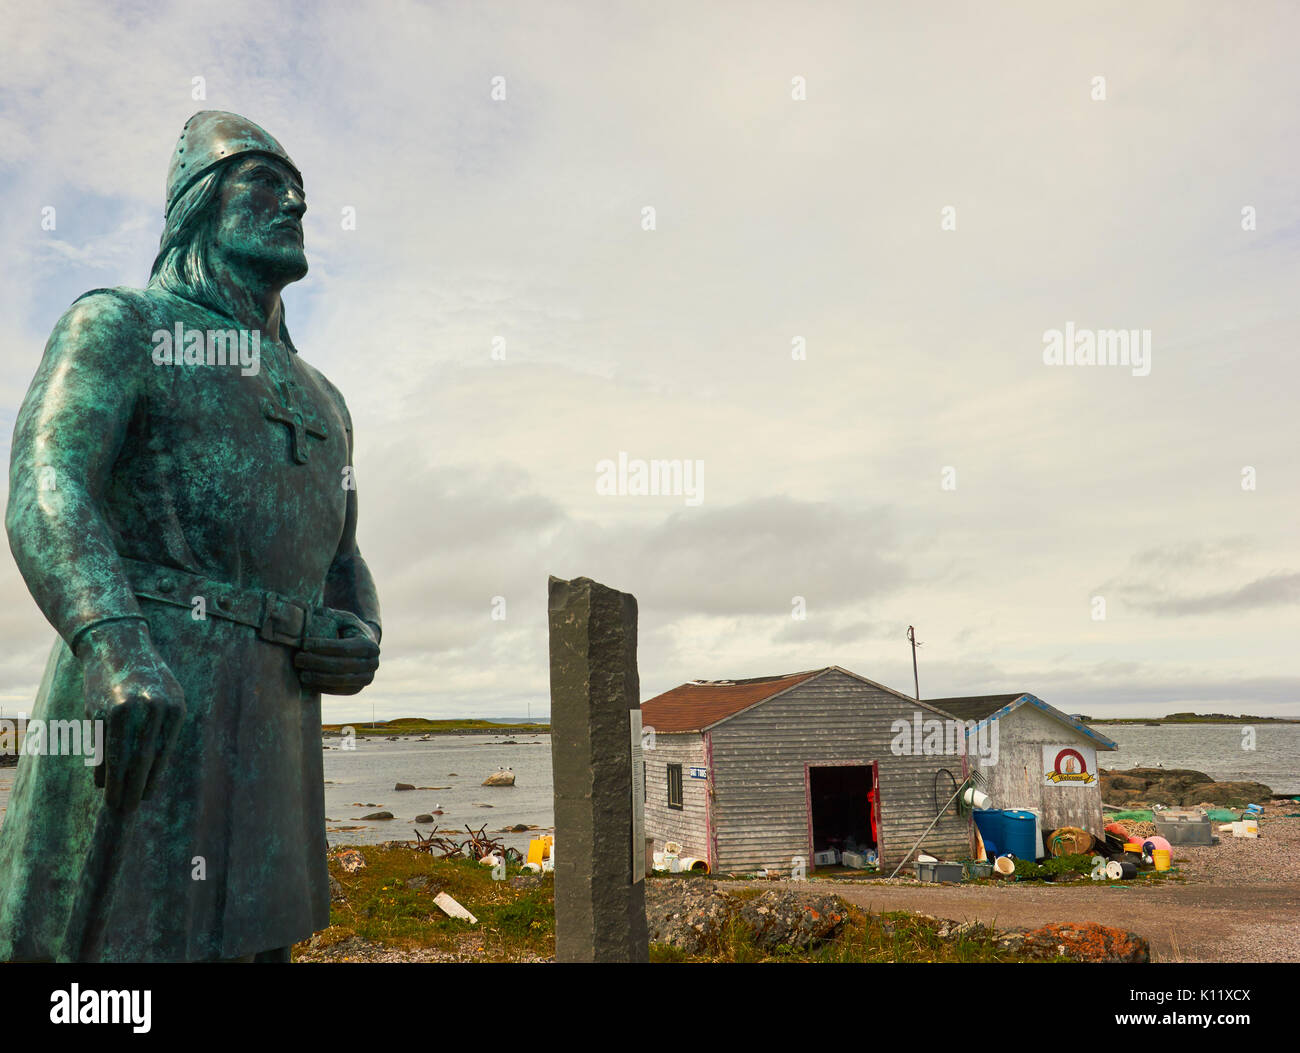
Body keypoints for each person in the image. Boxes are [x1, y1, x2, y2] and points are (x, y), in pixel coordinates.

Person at [0, 111, 381, 962]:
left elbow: (343, 558)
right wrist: (113, 642)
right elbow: (47, 483)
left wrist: (363, 627)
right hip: (151, 694)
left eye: (300, 191)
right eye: (265, 182)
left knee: (257, 944)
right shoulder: (120, 325)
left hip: (275, 722)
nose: (295, 204)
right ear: (199, 203)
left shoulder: (325, 398)